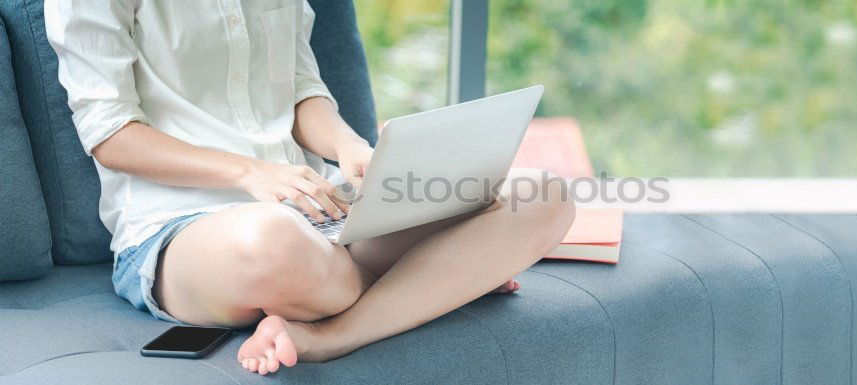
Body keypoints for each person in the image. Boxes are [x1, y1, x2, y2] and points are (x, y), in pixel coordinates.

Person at [45, 0, 574, 375]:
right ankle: (440, 278)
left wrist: (352, 149)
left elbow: (301, 95)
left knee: (543, 194)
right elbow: (112, 135)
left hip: (320, 209)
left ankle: (329, 335)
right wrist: (249, 173)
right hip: (184, 231)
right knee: (272, 241)